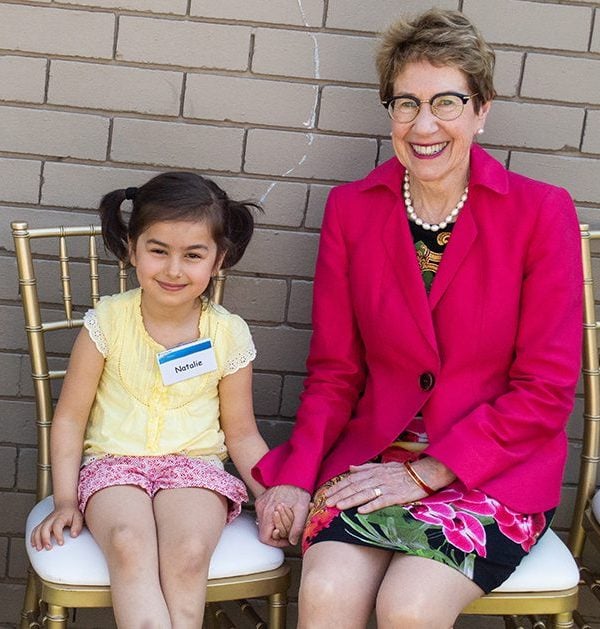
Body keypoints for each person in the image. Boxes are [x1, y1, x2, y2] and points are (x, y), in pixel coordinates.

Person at [253, 8, 583, 628]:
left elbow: (546, 389)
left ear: (482, 110)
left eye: (447, 102)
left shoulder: (542, 214)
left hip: (491, 471)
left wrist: (429, 472)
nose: (423, 124)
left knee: (407, 607)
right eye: (405, 103)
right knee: (323, 594)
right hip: (375, 462)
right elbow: (334, 373)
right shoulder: (352, 211)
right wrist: (296, 476)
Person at [29, 172, 289, 628]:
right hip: (113, 466)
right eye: (158, 250)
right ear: (132, 249)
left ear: (218, 259)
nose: (173, 270)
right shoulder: (107, 322)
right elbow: (69, 419)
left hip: (195, 469)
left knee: (189, 553)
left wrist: (268, 493)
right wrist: (66, 499)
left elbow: (243, 433)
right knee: (129, 542)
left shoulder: (228, 334)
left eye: (192, 255)